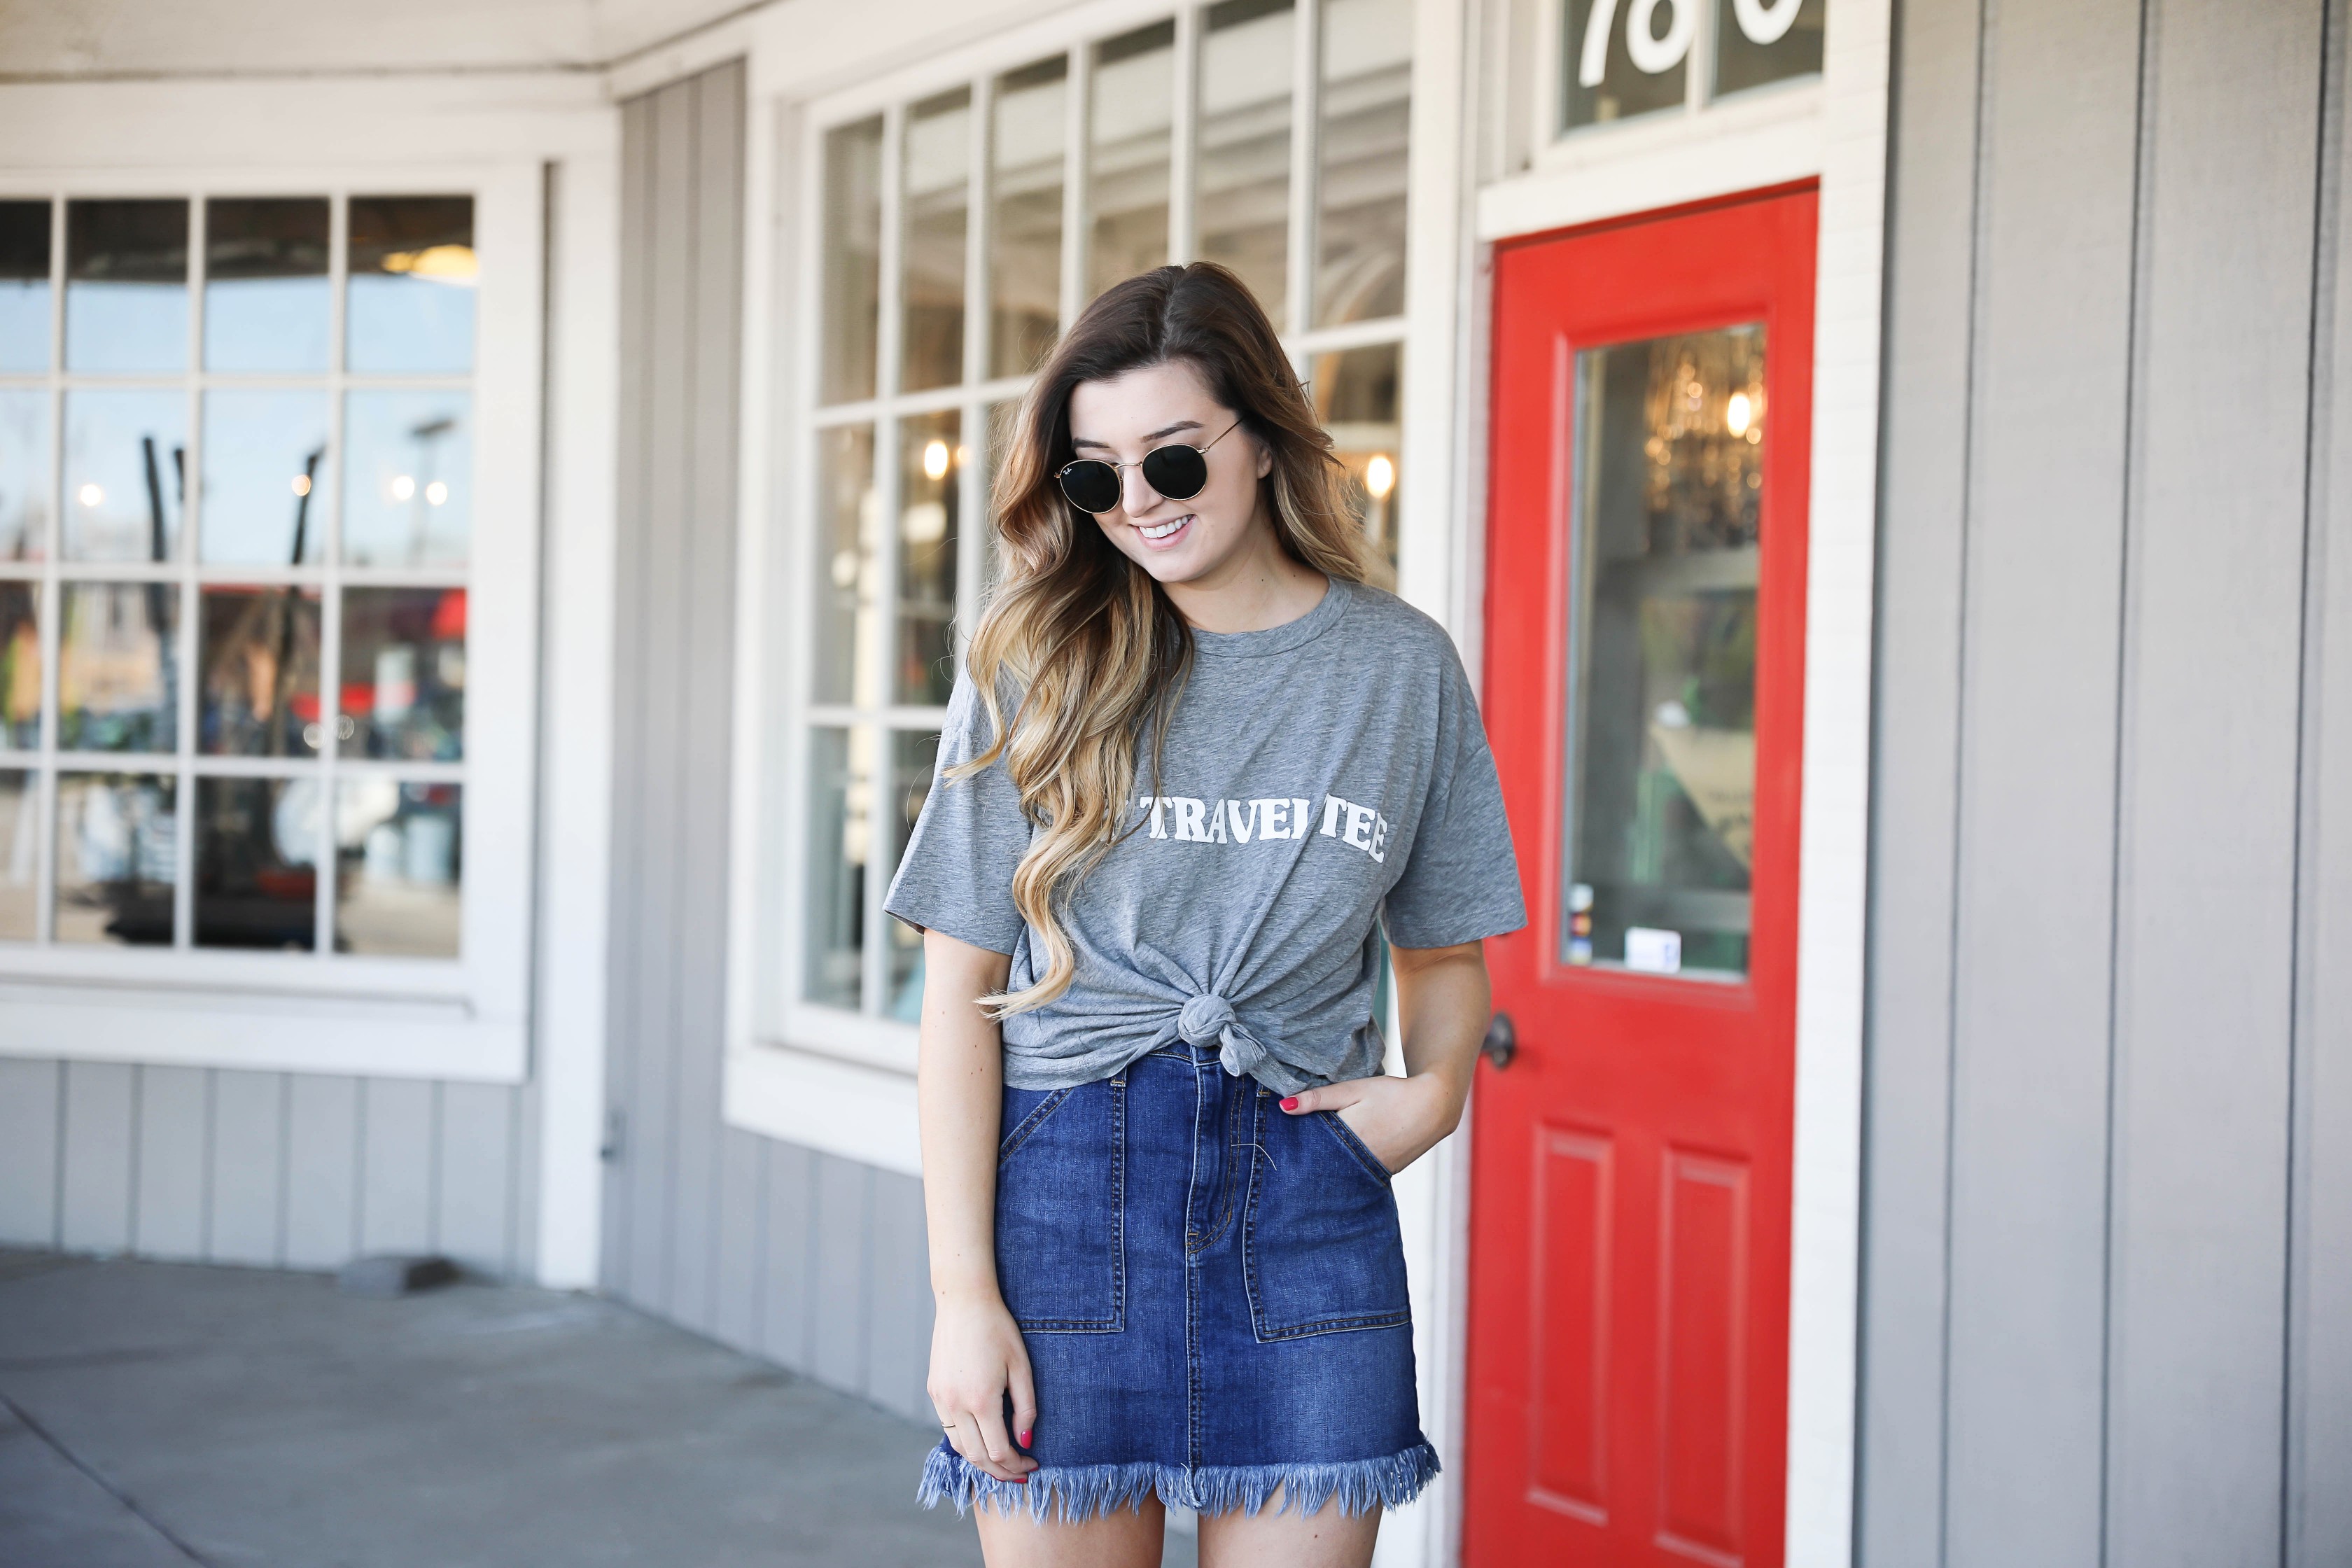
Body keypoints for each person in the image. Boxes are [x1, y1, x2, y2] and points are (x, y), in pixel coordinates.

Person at [884, 261, 1526, 1568]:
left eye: (1172, 464)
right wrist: (964, 1296)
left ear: (1265, 435)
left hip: (1303, 1209)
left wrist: (1434, 1091)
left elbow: (1446, 951)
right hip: (1062, 1207)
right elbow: (961, 995)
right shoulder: (1035, 663)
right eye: (1093, 474)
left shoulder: (1398, 670)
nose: (1136, 505)